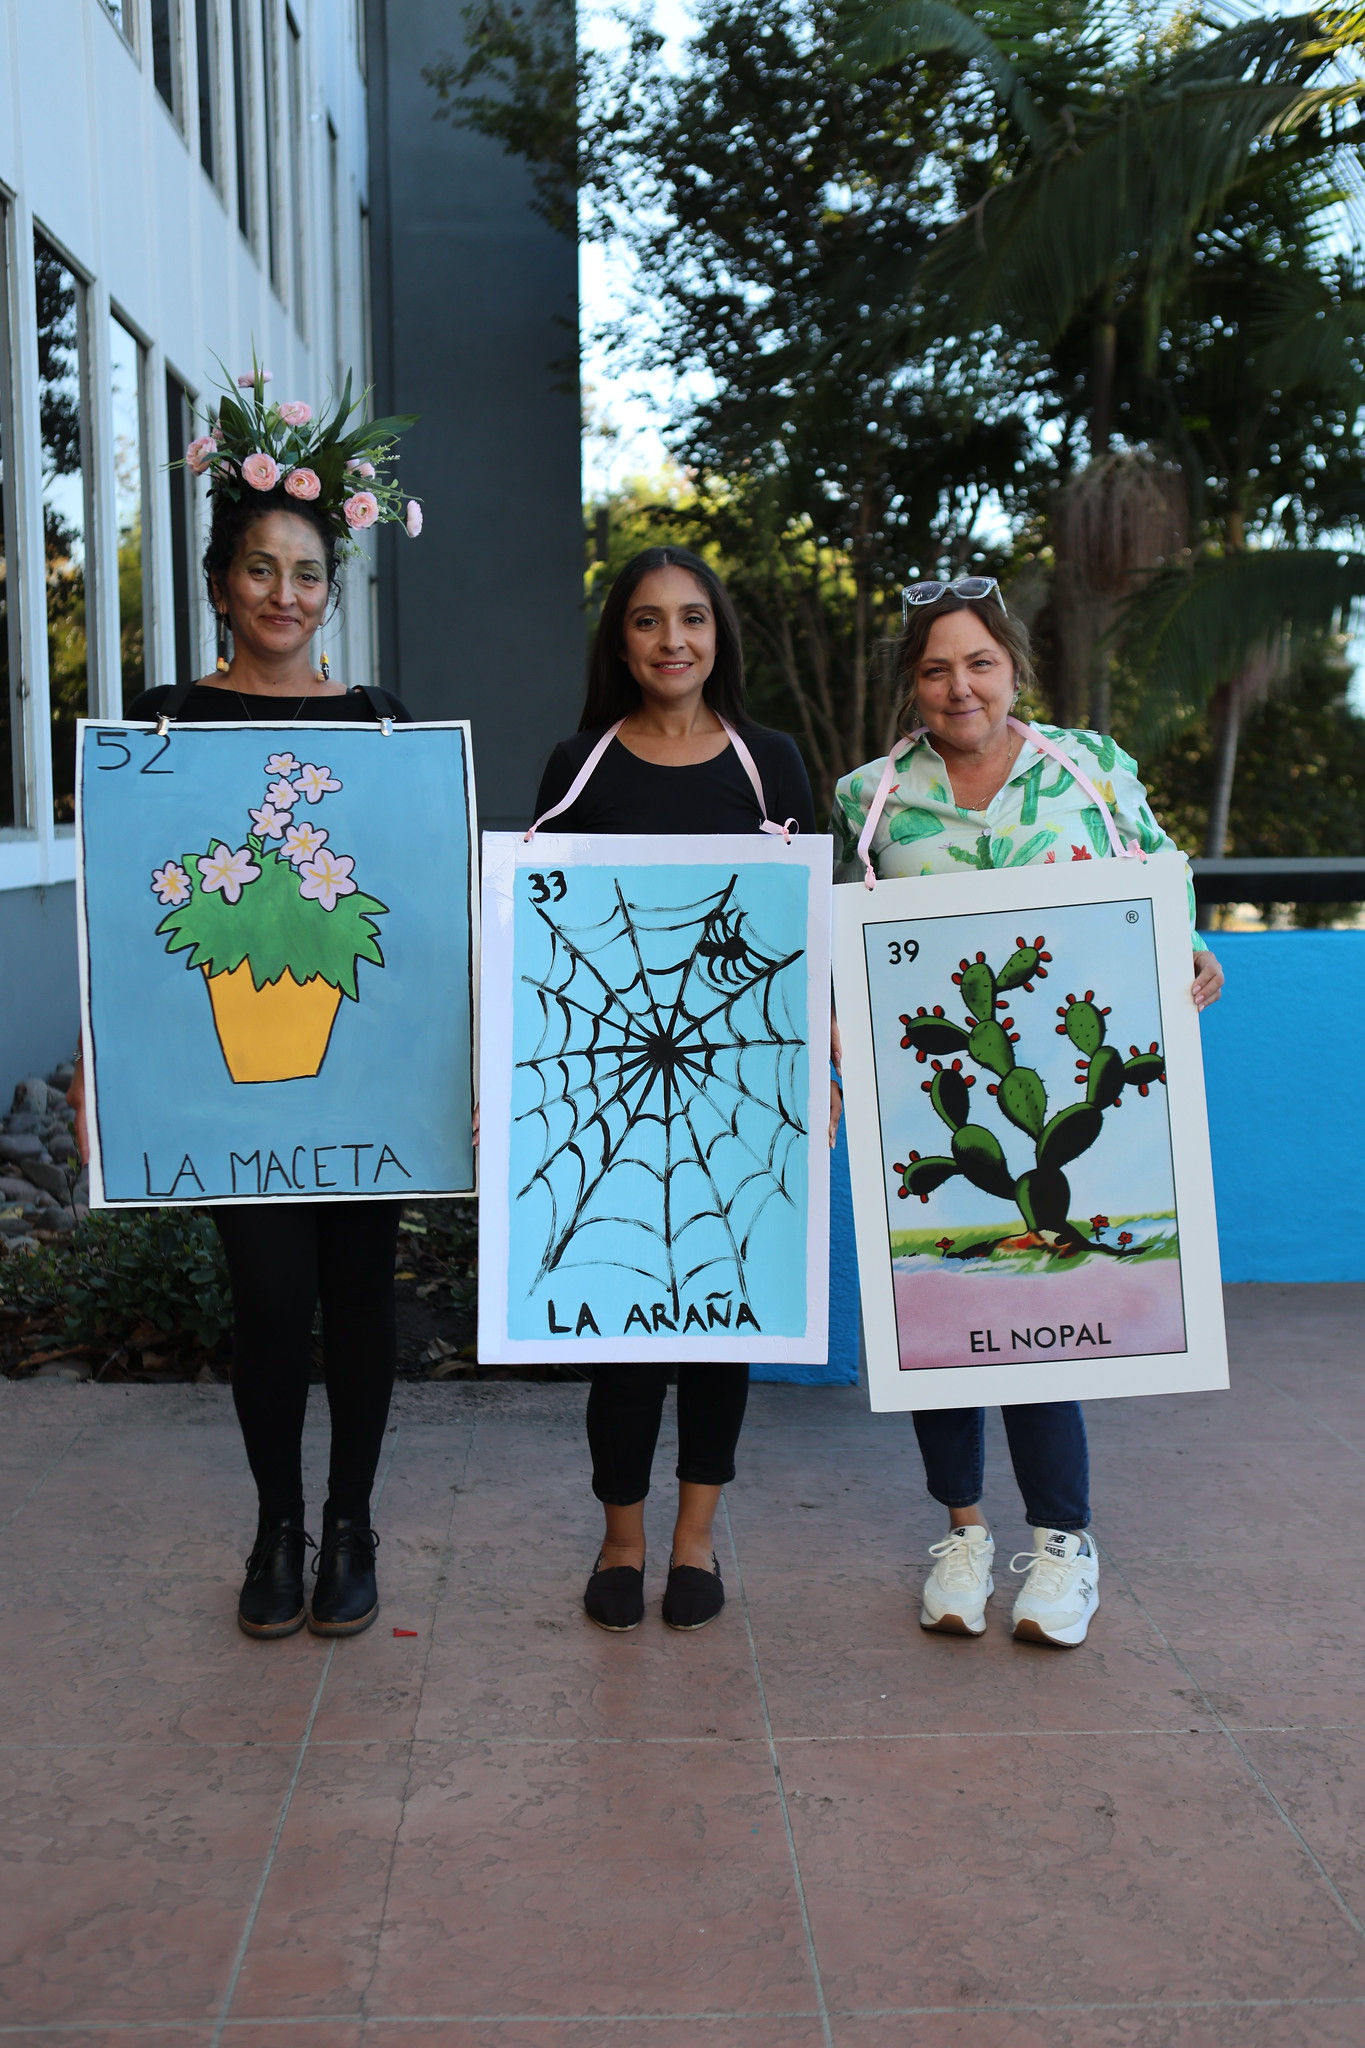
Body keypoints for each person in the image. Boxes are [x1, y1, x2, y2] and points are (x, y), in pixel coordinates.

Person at [70, 367, 425, 1642]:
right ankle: (277, 1518)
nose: (287, 593)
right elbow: (117, 922)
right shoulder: (160, 730)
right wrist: (94, 1058)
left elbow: (424, 916)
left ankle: (353, 1522)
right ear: (223, 584)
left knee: (362, 1299)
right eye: (263, 570)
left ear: (334, 591)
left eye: (310, 573)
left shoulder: (386, 729)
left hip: (367, 1074)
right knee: (270, 1304)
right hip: (228, 1081)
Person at [832, 576, 1224, 1650]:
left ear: (1013, 667)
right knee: (942, 1312)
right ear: (911, 682)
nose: (959, 686)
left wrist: (1185, 941)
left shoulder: (1090, 769)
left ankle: (1062, 1546)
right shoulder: (869, 796)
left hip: (1068, 1081)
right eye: (935, 667)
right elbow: (848, 941)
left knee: (1043, 1317)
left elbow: (1161, 871)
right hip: (942, 1092)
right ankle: (961, 1534)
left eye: (979, 662)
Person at [532, 545, 825, 1633]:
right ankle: (621, 1539)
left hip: (740, 1083)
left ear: (719, 636)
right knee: (621, 1340)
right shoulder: (578, 764)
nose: (672, 640)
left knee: (719, 1329)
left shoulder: (772, 762)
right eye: (649, 620)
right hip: (615, 1078)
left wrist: (822, 1066)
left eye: (693, 619)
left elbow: (810, 935)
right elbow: (541, 932)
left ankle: (696, 1539)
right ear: (621, 640)